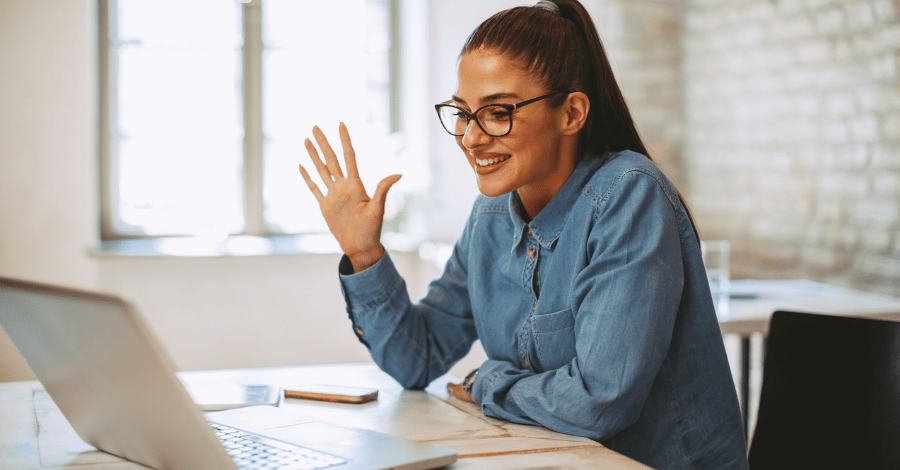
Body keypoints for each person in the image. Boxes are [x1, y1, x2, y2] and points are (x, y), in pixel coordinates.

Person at [297, 1, 749, 469]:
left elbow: (599, 400)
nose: (471, 138)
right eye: (462, 113)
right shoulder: (490, 215)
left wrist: (488, 383)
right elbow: (419, 358)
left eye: (497, 112)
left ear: (571, 113)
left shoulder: (628, 195)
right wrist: (364, 252)